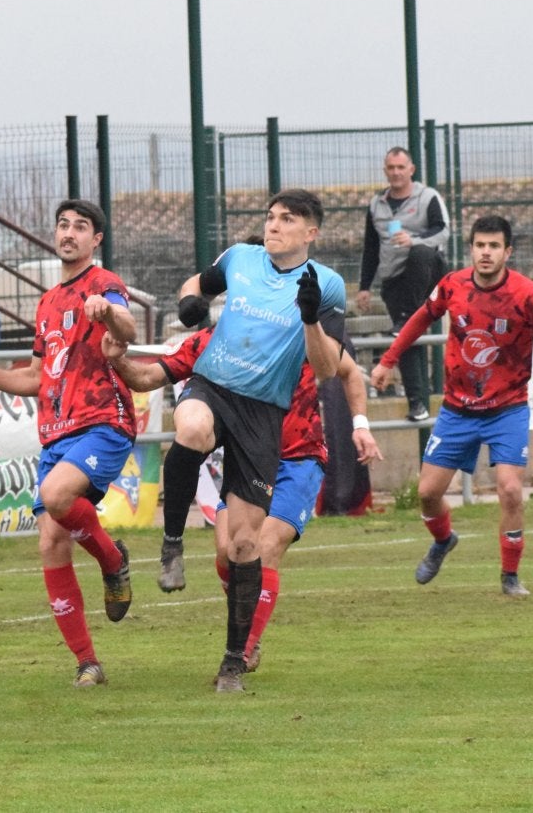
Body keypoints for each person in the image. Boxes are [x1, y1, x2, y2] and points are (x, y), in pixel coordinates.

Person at [109, 323, 380, 671]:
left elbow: (349, 373)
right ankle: (248, 616)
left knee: (263, 547)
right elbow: (147, 379)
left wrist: (361, 425)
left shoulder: (300, 335)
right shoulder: (212, 340)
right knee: (228, 554)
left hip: (299, 461)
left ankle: (243, 650)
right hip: (248, 460)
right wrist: (118, 360)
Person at [160, 188, 346, 692]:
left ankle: (232, 664)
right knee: (193, 428)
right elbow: (197, 280)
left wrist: (309, 319)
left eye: (287, 219)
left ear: (311, 232)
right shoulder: (240, 258)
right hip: (214, 385)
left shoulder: (327, 286)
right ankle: (172, 545)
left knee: (245, 545)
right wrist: (190, 302)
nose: (273, 225)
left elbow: (328, 369)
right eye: (270, 216)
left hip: (264, 415)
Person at [0, 200, 137, 687]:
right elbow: (35, 377)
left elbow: (130, 329)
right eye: (62, 225)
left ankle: (113, 560)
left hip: (103, 422)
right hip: (55, 432)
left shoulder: (105, 285)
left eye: (80, 227)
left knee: (56, 498)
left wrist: (110, 316)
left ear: (96, 240)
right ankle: (87, 663)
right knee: (52, 541)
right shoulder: (48, 301)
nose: (68, 233)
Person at [372, 215, 533, 596]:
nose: (486, 253)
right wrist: (388, 360)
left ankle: (510, 576)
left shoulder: (528, 295)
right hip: (457, 410)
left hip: (508, 409)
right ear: (471, 248)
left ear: (508, 251)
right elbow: (420, 319)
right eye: (480, 245)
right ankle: (443, 540)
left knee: (510, 490)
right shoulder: (453, 285)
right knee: (427, 493)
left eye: (494, 246)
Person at [356, 147, 450, 421]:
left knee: (420, 254)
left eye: (401, 167)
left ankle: (408, 317)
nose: (396, 172)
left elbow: (443, 229)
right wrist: (364, 286)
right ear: (385, 171)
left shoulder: (428, 197)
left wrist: (414, 240)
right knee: (406, 339)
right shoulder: (377, 204)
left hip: (427, 274)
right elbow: (370, 248)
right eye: (391, 168)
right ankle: (417, 404)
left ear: (412, 169)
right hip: (393, 280)